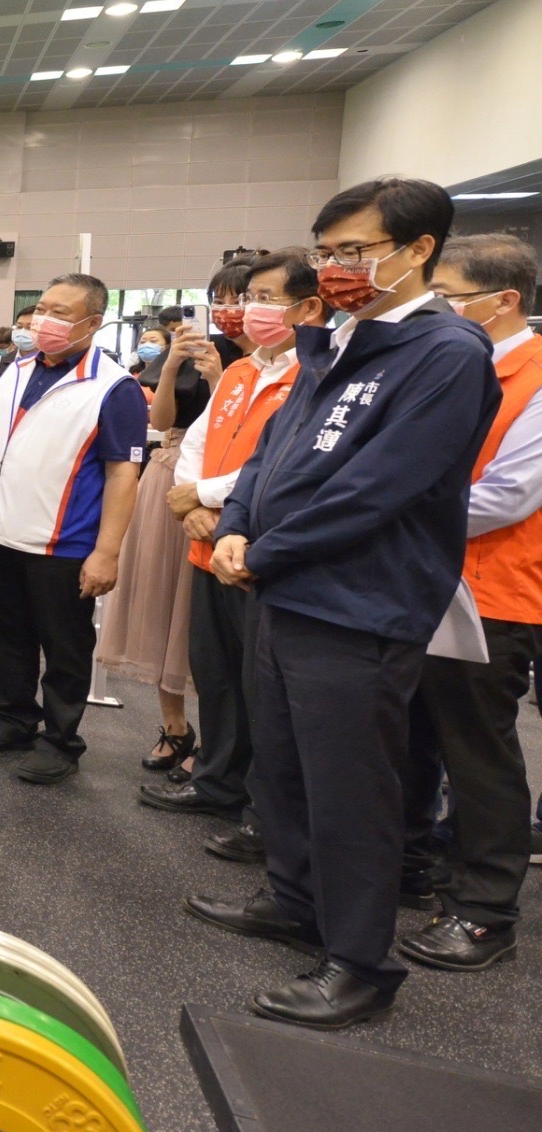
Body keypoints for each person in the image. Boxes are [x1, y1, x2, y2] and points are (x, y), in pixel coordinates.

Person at [188, 177, 500, 1030]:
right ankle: (294, 899)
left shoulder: (445, 353)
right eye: (327, 252)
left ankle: (361, 963)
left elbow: (379, 489)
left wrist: (263, 551)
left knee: (350, 788)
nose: (335, 268)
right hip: (286, 589)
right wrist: (237, 525)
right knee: (283, 767)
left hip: (360, 604)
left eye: (355, 251)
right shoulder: (340, 338)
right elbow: (271, 453)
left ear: (420, 250)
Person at [395, 233, 542, 971]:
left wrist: (389, 510)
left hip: (494, 593)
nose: (437, 310)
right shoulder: (452, 366)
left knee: (476, 751)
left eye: (450, 297)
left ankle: (485, 910)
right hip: (419, 578)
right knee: (413, 733)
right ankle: (410, 864)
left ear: (504, 300)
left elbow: (508, 495)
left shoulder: (534, 379)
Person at [152, 251, 318, 849]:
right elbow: (197, 443)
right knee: (216, 674)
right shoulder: (243, 369)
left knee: (264, 690)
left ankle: (262, 810)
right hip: (208, 545)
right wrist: (191, 503)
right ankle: (217, 780)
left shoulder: (314, 374)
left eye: (264, 299)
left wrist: (205, 495)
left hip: (259, 551)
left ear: (308, 308)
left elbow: (283, 462)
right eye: (248, 299)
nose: (248, 310)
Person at [0, 273, 147, 783]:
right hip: (0, 532)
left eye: (60, 313)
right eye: (42, 308)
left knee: (64, 646)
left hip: (64, 541)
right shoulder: (14, 371)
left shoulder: (114, 386)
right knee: (6, 635)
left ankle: (61, 740)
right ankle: (15, 718)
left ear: (93, 322)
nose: (44, 320)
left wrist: (107, 552)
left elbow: (123, 474)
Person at [103, 261, 251, 780]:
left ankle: (218, 741)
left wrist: (219, 379)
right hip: (172, 475)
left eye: (241, 299)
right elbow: (161, 420)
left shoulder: (266, 362)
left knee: (204, 616)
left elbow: (244, 429)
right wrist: (170, 365)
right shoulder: (188, 349)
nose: (230, 311)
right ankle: (173, 726)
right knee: (163, 603)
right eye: (221, 300)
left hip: (229, 482)